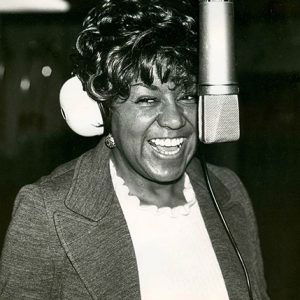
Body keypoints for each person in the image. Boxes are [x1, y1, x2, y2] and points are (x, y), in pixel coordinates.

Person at [0, 0, 269, 299]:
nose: (174, 119)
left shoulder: (228, 191)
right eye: (146, 100)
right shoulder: (46, 212)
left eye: (188, 96)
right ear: (102, 111)